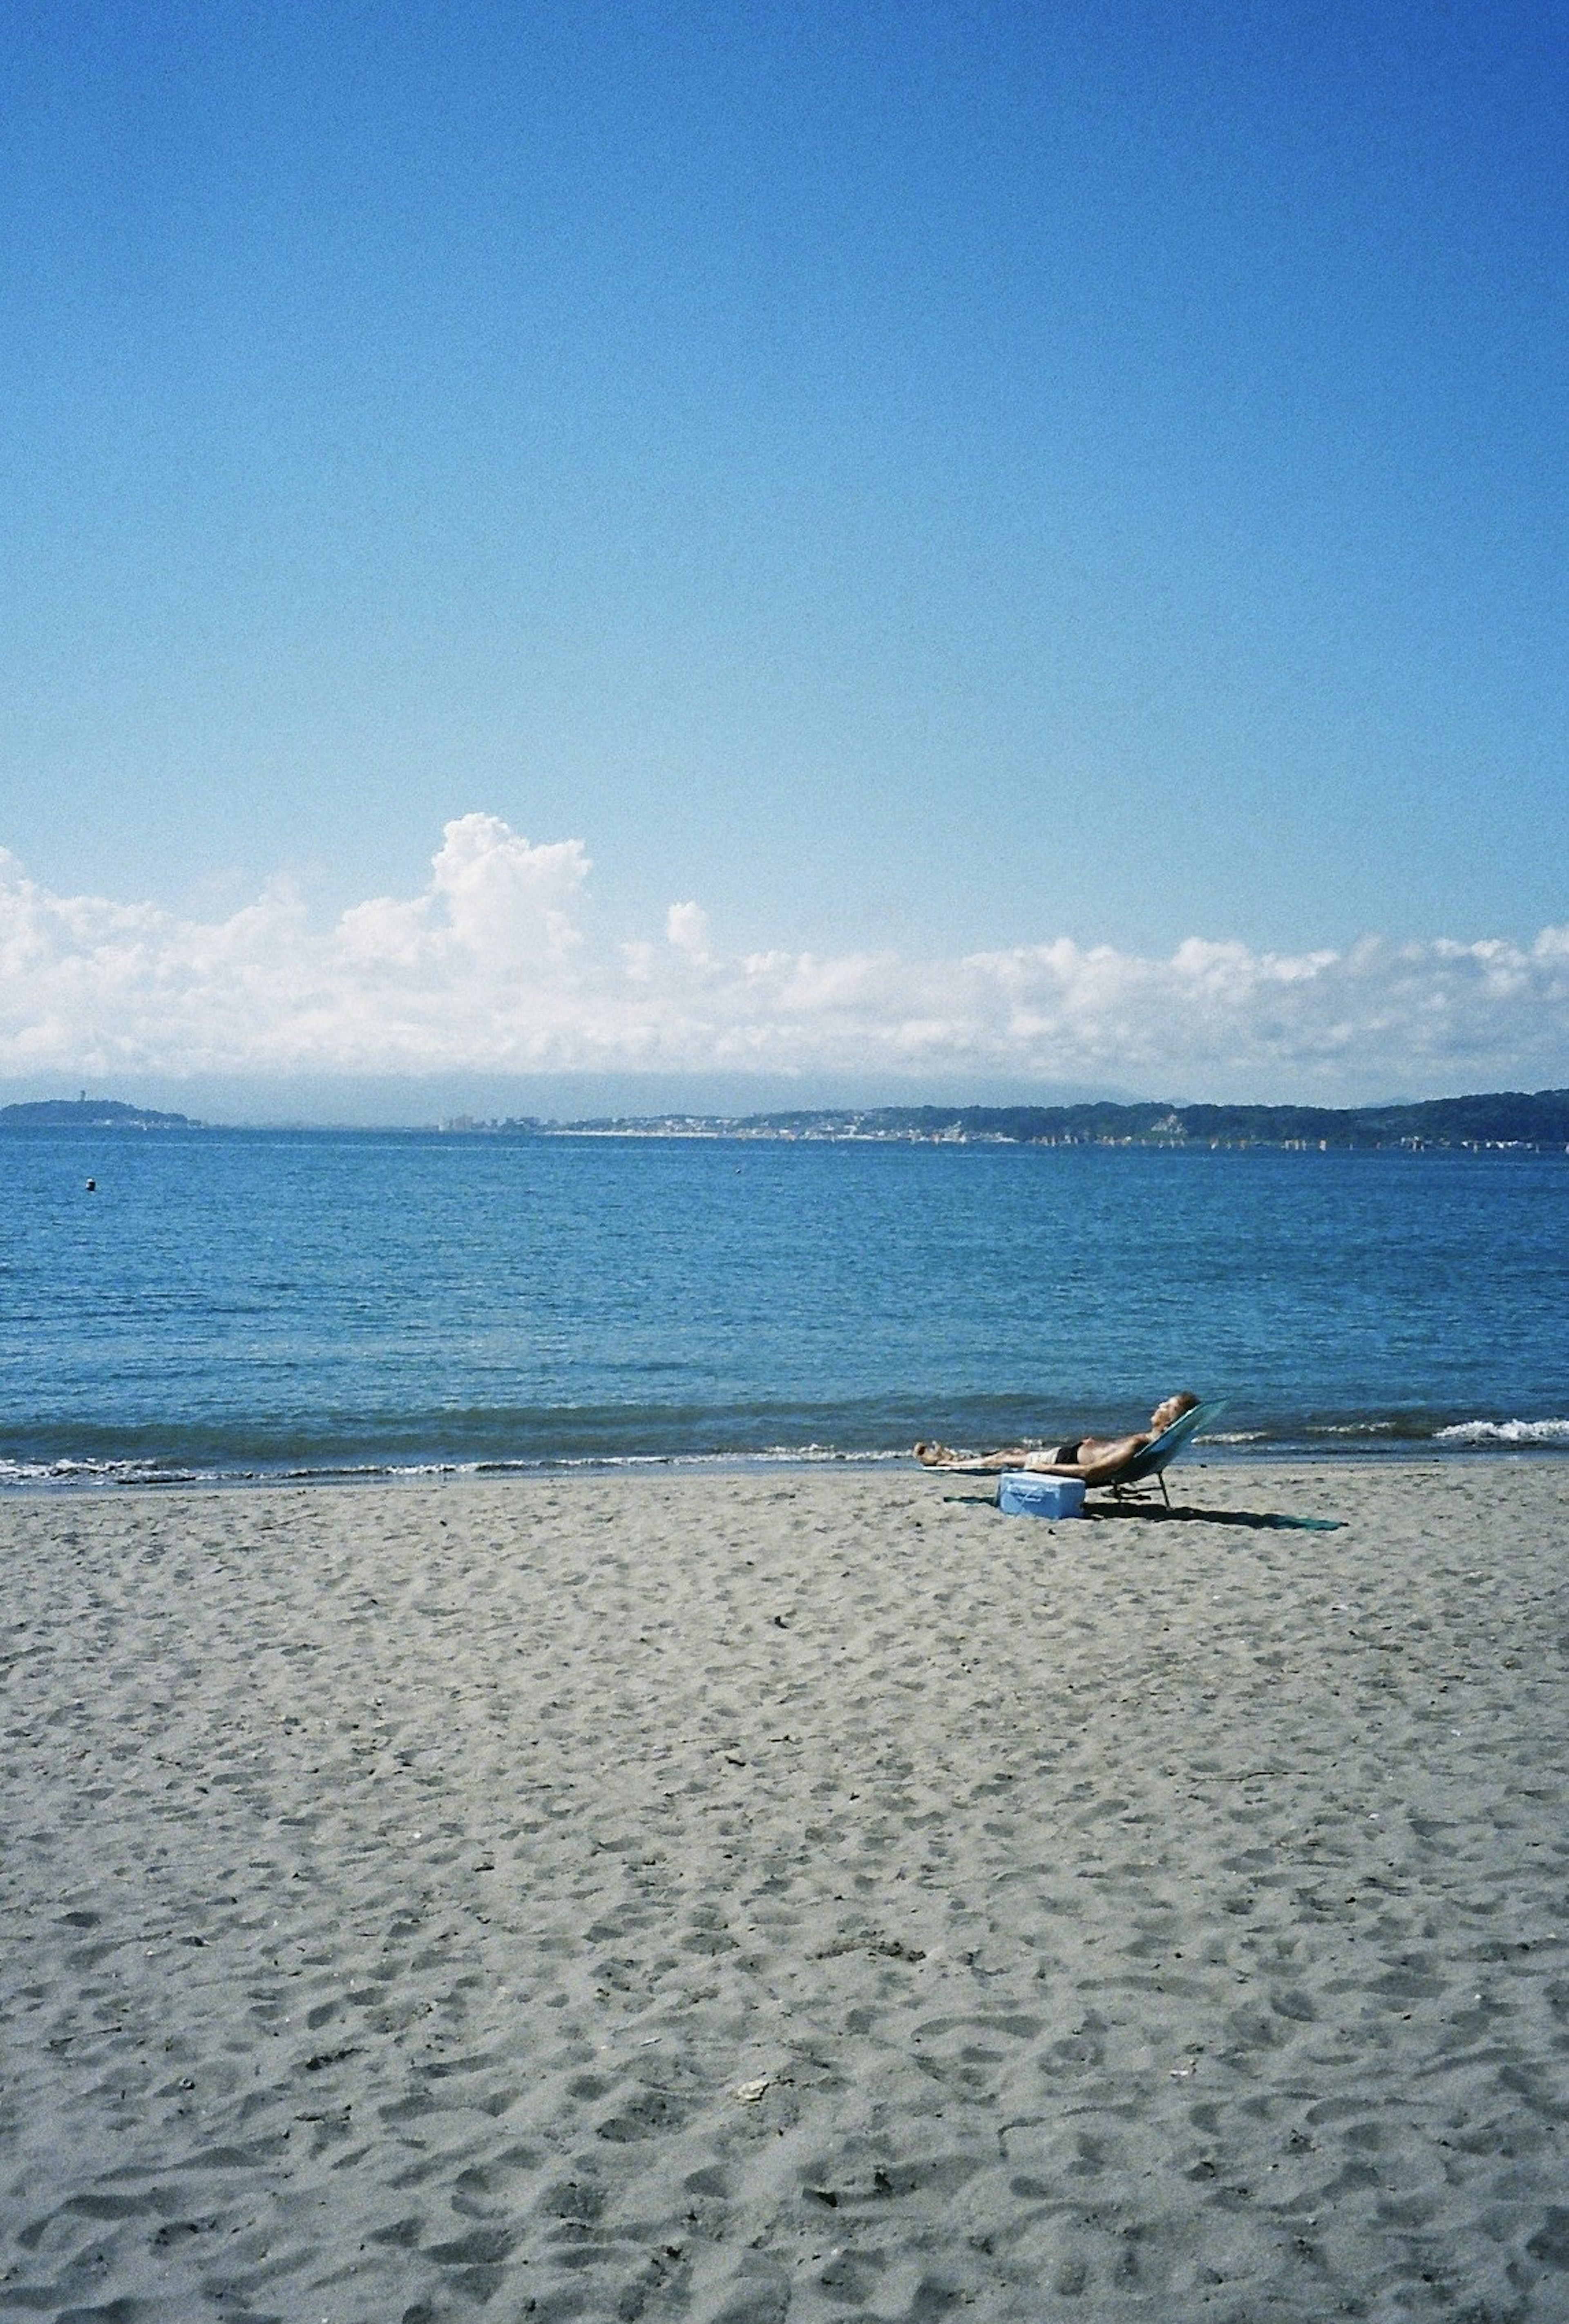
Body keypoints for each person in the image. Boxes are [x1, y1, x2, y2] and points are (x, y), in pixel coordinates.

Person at [914, 1391, 1199, 1481]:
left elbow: (1090, 1472)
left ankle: (941, 1464)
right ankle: (954, 1459)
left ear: (1173, 1420)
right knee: (1011, 1452)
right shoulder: (1151, 1444)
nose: (1161, 1405)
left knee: (1004, 1458)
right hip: (1070, 1452)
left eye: (1168, 1406)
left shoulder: (1140, 1443)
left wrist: (1044, 1469)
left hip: (1063, 1459)